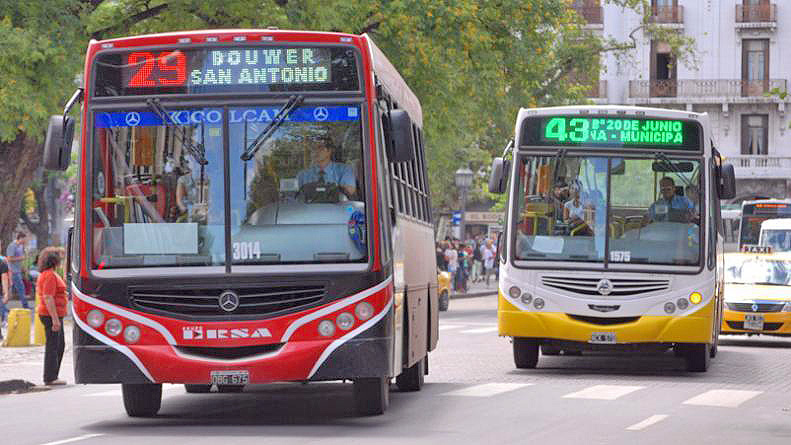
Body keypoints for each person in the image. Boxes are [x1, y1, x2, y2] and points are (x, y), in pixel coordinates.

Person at [36, 247, 69, 386]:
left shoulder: (49, 274)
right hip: (50, 315)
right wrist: (55, 319)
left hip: (52, 314)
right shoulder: (49, 275)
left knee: (58, 345)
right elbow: (48, 297)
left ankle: (52, 375)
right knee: (54, 345)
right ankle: (50, 376)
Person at [297, 134, 356, 199]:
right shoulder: (303, 175)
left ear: (329, 151)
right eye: (313, 148)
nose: (315, 151)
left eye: (320, 148)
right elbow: (296, 197)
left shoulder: (344, 170)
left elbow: (350, 192)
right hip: (310, 208)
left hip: (337, 208)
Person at [5, 232, 30, 309]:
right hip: (12, 271)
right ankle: (25, 305)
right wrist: (21, 258)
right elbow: (9, 258)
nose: (25, 241)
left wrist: (23, 268)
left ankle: (3, 307)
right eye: (24, 240)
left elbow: (21, 259)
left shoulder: (20, 246)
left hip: (18, 271)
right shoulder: (12, 246)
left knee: (12, 289)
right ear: (20, 238)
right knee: (20, 288)